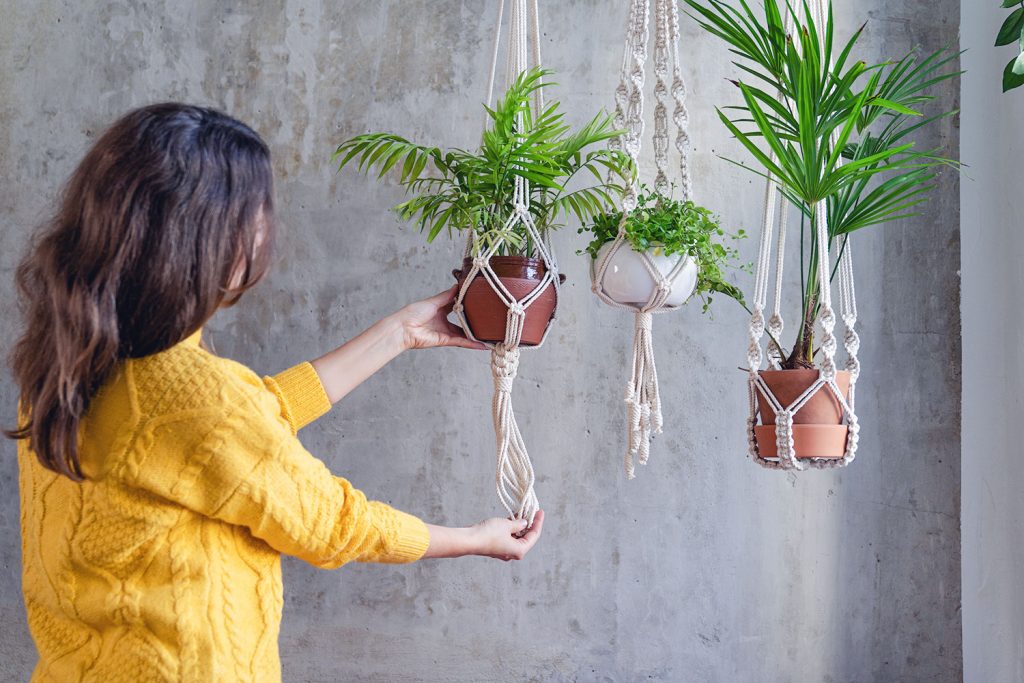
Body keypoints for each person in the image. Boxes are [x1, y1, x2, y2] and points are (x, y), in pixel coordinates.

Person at [5, 103, 544, 682]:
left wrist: (398, 334)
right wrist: (473, 539)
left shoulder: (64, 373)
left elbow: (238, 429)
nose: (266, 229)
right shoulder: (193, 396)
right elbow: (330, 520)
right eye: (256, 212)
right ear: (205, 234)